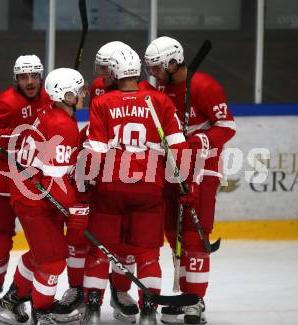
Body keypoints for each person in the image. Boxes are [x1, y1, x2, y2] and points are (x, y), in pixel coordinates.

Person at [82, 48, 189, 325]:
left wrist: (85, 186)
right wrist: (185, 186)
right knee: (147, 254)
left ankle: (92, 312)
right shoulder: (161, 101)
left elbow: (95, 150)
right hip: (148, 189)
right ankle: (149, 313)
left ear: (116, 72)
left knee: (98, 251)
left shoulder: (102, 103)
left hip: (111, 188)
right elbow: (179, 148)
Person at [144, 36, 236, 325]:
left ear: (173, 63)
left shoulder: (205, 86)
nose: (153, 74)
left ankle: (195, 299)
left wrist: (197, 142)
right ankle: (185, 293)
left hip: (202, 165)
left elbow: (227, 126)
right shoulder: (159, 86)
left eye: (158, 67)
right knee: (174, 231)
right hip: (171, 163)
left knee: (195, 234)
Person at [0, 68, 89, 325]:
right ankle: (42, 312)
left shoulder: (50, 112)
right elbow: (54, 182)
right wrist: (75, 208)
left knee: (39, 255)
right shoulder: (61, 125)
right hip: (35, 200)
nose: (83, 94)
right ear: (62, 94)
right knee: (53, 261)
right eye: (77, 90)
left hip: (31, 195)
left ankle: (9, 303)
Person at [52, 41, 140, 324]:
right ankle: (78, 289)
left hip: (126, 175)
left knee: (125, 239)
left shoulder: (141, 90)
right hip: (93, 168)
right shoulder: (97, 88)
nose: (100, 74)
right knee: (81, 240)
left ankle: (120, 289)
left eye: (105, 68)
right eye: (98, 68)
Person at [0, 55, 51, 319]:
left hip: (34, 186)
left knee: (42, 246)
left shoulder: (50, 98)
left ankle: (18, 296)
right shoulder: (5, 103)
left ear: (41, 76)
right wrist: (3, 139)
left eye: (34, 76)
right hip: (3, 184)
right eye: (23, 77)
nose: (29, 82)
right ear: (15, 79)